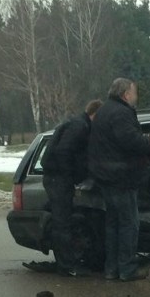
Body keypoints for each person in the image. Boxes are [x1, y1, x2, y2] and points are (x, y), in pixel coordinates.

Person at [88, 78, 150, 281]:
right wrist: (147, 142)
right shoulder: (121, 113)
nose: (136, 96)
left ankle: (112, 268)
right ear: (126, 94)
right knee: (128, 224)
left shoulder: (105, 111)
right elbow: (129, 141)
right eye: (134, 92)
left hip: (106, 176)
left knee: (113, 224)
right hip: (121, 177)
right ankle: (127, 269)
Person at [41, 99, 103, 277]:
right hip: (58, 179)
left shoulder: (79, 124)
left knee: (63, 222)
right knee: (63, 223)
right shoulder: (80, 127)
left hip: (56, 177)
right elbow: (64, 151)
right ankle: (66, 266)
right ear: (95, 115)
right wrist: (71, 176)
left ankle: (66, 264)